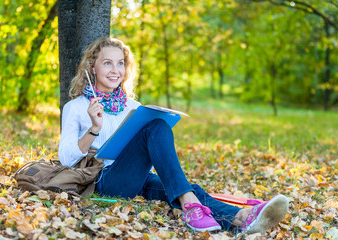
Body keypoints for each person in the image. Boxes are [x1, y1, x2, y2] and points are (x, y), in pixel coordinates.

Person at [58, 37, 289, 234]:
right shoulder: (77, 107)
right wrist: (94, 128)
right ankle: (199, 211)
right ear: (92, 68)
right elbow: (66, 160)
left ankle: (241, 219)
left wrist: (165, 178)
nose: (115, 70)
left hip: (141, 178)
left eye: (120, 63)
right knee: (157, 126)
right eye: (107, 63)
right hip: (104, 180)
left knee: (186, 189)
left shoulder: (133, 106)